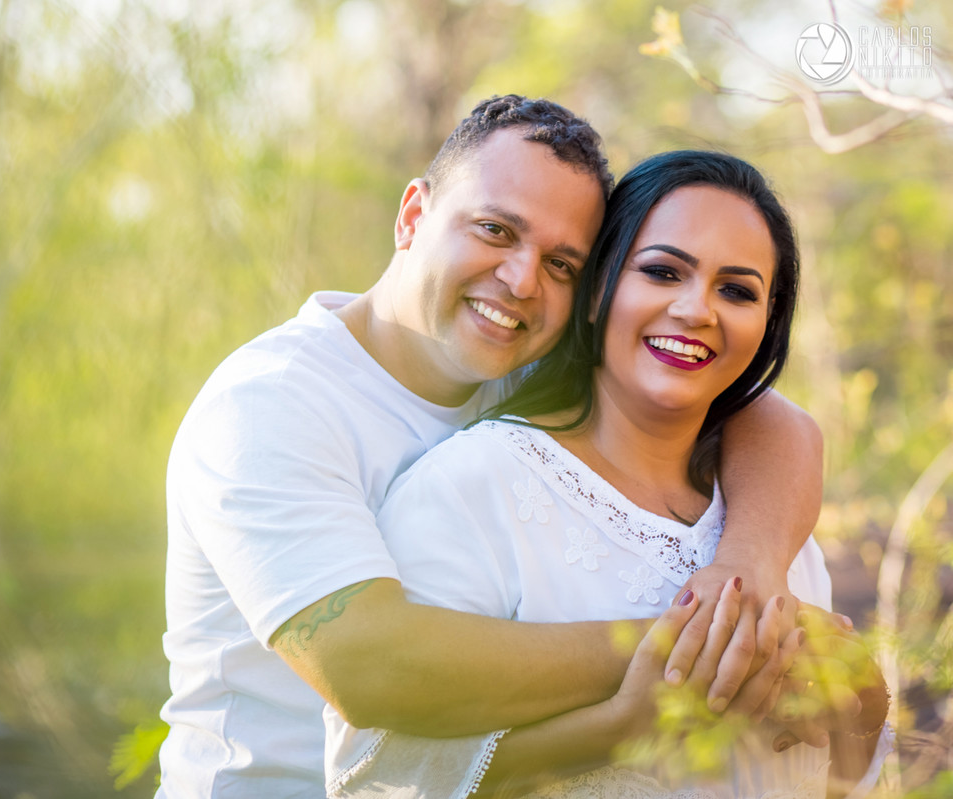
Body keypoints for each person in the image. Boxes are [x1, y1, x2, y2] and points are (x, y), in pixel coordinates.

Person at [159, 96, 825, 797]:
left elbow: (770, 421)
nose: (522, 280)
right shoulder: (270, 405)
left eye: (563, 263)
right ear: (413, 215)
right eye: (495, 229)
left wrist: (750, 567)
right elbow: (369, 667)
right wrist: (704, 643)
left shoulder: (518, 359)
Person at [324, 151, 892, 798]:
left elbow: (832, 779)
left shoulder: (771, 522)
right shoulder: (474, 489)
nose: (697, 309)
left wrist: (863, 701)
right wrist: (620, 725)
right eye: (662, 271)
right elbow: (374, 780)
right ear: (596, 290)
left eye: (737, 290)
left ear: (766, 326)